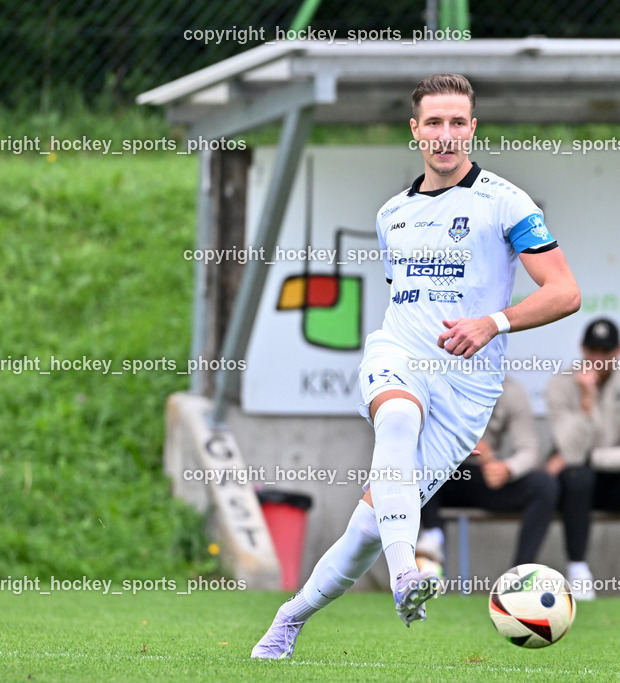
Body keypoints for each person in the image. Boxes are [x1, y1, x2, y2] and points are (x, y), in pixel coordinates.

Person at [252, 73, 580, 659]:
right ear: (415, 130)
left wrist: (493, 323)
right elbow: (407, 299)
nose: (445, 134)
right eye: (434, 122)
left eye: (456, 122)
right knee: (397, 420)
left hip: (468, 387)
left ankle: (288, 618)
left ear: (472, 129)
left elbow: (565, 292)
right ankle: (408, 572)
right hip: (399, 354)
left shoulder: (507, 203)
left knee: (365, 531)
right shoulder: (393, 214)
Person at [545, 318, 620, 602]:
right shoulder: (560, 384)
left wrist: (592, 457)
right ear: (582, 349)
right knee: (577, 478)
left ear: (619, 351)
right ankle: (578, 570)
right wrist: (587, 402)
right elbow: (571, 453)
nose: (598, 359)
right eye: (592, 350)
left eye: (606, 351)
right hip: (581, 485)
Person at [416, 375, 559, 569]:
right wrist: (461, 443)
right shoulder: (436, 381)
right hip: (441, 478)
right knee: (419, 465)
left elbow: (530, 450)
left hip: (483, 477)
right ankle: (432, 537)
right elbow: (414, 434)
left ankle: (518, 576)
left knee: (544, 485)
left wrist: (507, 468)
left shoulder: (512, 391)